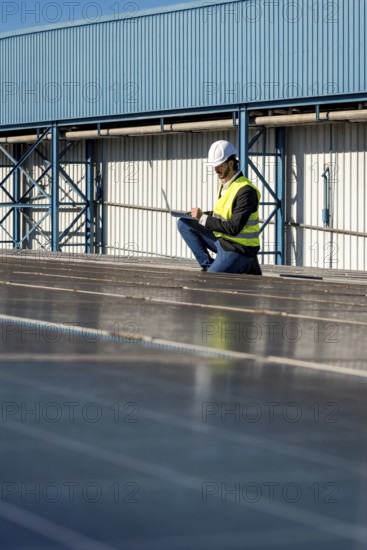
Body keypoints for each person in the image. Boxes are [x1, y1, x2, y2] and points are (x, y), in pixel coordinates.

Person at [177, 140, 262, 275]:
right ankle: (209, 265)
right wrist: (199, 215)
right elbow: (222, 213)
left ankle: (243, 264)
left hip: (239, 248)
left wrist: (203, 218)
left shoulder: (246, 191)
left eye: (219, 166)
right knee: (184, 223)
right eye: (214, 166)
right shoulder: (225, 185)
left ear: (231, 163)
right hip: (222, 240)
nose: (216, 170)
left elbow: (233, 228)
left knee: (212, 280)